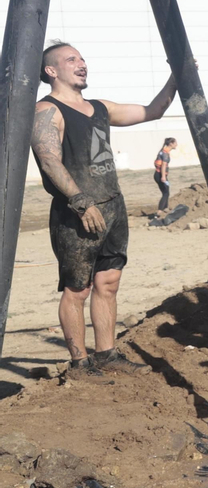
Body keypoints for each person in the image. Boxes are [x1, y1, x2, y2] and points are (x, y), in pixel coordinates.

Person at [32, 42, 179, 372]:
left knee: (108, 283)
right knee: (77, 290)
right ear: (51, 71)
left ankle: (107, 355)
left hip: (113, 207)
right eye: (72, 59)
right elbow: (50, 161)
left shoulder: (100, 107)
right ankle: (80, 364)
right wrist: (81, 203)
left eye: (83, 59)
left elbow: (151, 111)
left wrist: (177, 77)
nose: (82, 64)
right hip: (77, 215)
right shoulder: (47, 111)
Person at [153, 137, 176, 211]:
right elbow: (163, 165)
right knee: (166, 193)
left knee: (166, 192)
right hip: (160, 175)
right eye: (175, 143)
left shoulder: (162, 151)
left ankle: (165, 209)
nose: (177, 145)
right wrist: (163, 177)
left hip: (158, 174)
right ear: (171, 144)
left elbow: (156, 163)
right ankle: (159, 211)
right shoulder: (165, 153)